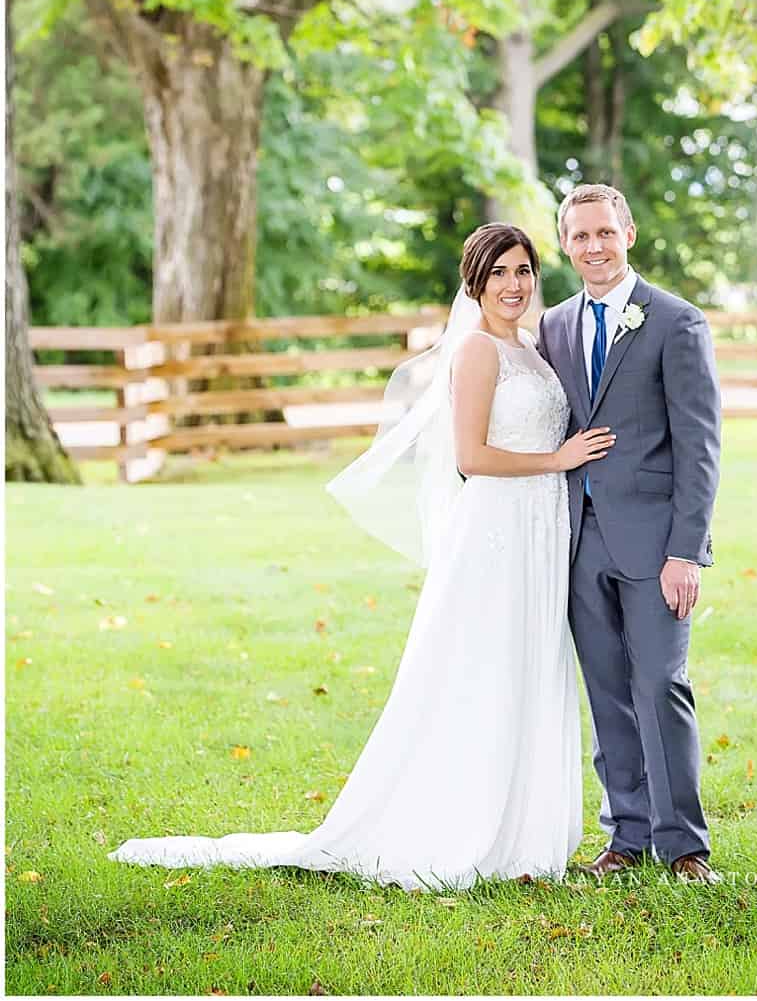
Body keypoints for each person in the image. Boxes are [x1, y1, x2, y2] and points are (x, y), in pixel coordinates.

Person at [107, 223, 615, 890]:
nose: (514, 285)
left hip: (538, 530)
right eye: (499, 273)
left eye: (522, 270)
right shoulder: (478, 350)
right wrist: (558, 459)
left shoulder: (529, 347)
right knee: (487, 666)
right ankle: (468, 829)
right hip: (498, 529)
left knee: (527, 665)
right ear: (475, 282)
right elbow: (471, 457)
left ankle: (524, 834)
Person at [537, 184, 722, 884]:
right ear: (565, 244)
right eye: (580, 236)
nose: (594, 246)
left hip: (655, 547)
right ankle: (626, 836)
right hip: (578, 543)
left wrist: (685, 551)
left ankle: (685, 848)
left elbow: (700, 447)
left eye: (604, 233)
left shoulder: (676, 321)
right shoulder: (553, 325)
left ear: (629, 234)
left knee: (660, 686)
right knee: (607, 691)